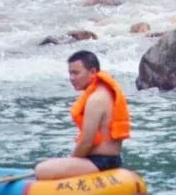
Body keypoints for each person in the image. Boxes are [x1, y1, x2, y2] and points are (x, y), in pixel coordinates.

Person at [34, 51, 130, 180]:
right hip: (110, 159)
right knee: (54, 162)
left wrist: (71, 161)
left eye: (76, 73)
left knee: (41, 169)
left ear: (92, 72)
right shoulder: (104, 92)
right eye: (70, 73)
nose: (72, 78)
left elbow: (86, 143)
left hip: (101, 162)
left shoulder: (96, 99)